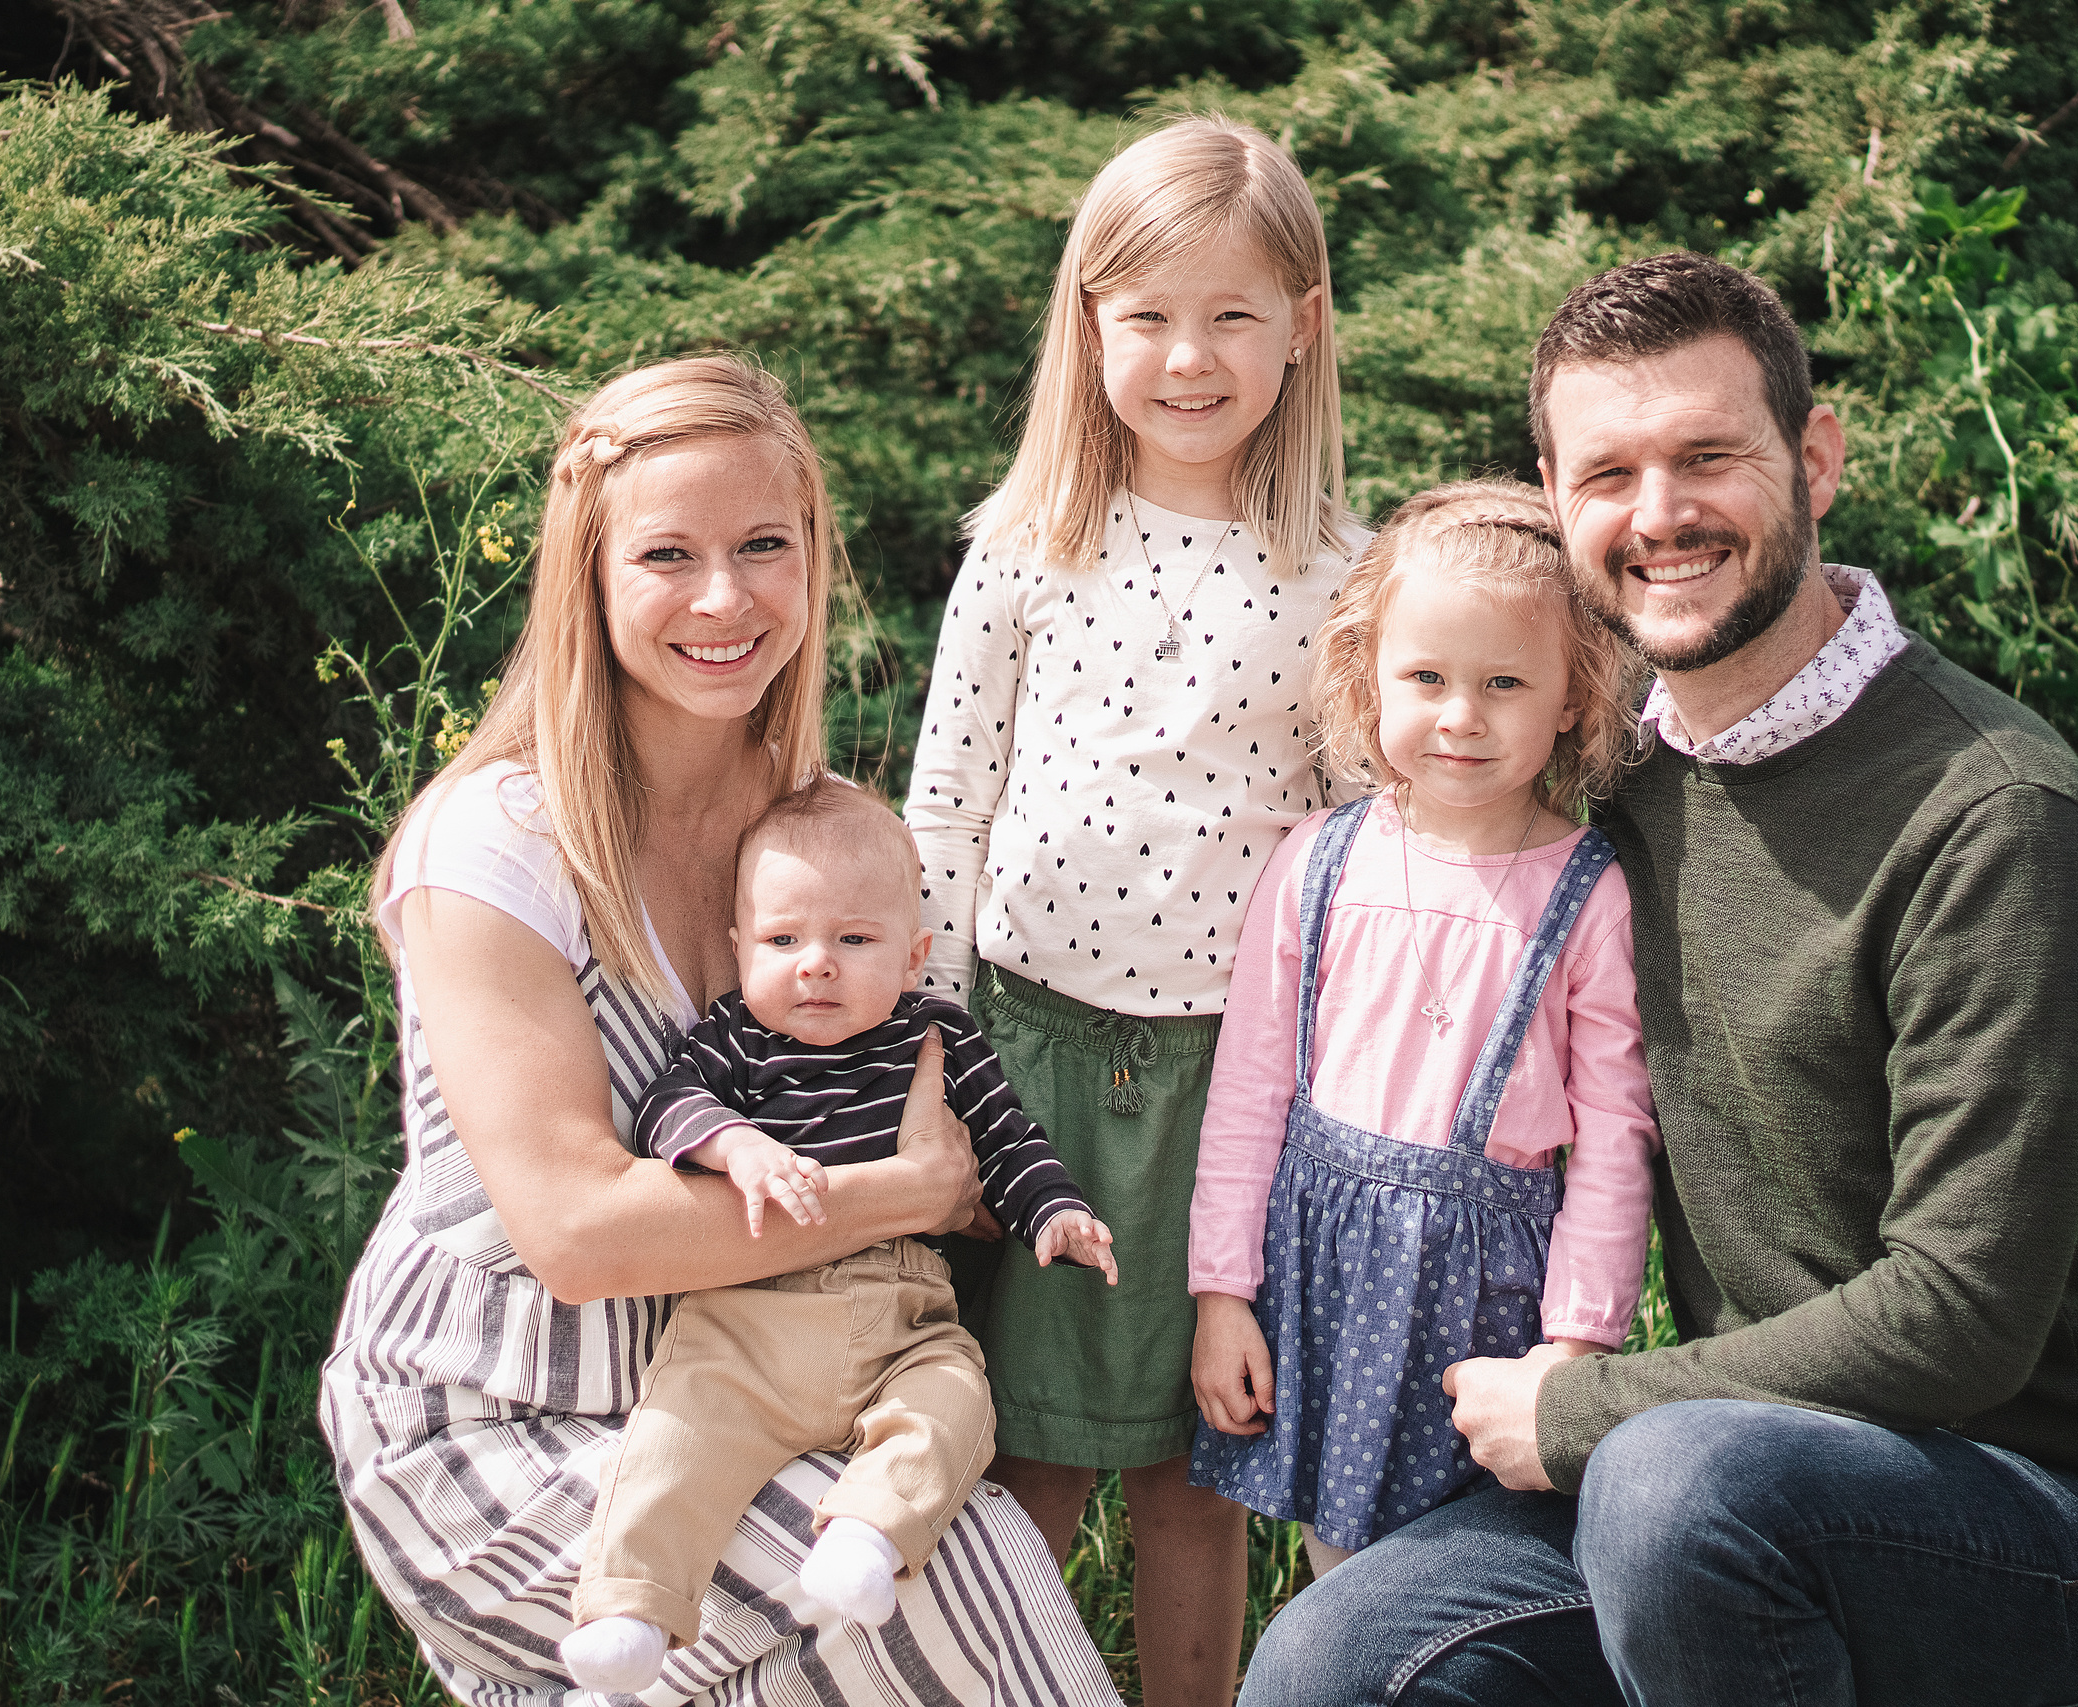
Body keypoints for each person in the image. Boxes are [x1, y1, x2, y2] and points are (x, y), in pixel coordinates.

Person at [1239, 252, 2078, 1707]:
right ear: (1557, 498)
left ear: (1815, 457)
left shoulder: (1993, 813)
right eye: (1608, 472)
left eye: (1708, 457)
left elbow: (1960, 1310)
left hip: (2036, 1518)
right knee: (1328, 1663)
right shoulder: (1613, 791)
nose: (1659, 515)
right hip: (1725, 1473)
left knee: (1672, 1484)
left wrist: (1582, 1405)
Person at [318, 354, 1121, 1707]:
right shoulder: (499, 846)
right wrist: (903, 1194)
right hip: (496, 1418)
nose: (724, 597)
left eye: (764, 544)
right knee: (955, 1563)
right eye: (667, 554)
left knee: (852, 1610)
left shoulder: (799, 831)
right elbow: (580, 1231)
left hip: (738, 1389)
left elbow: (914, 1077)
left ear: (813, 552)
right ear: (589, 574)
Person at [904, 114, 1368, 1702]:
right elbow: (945, 815)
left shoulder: (1341, 578)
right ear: (1087, 321)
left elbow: (1360, 845)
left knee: (1196, 1460)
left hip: (1238, 1082)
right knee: (1019, 1453)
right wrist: (935, 1068)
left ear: (1302, 328)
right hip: (1025, 1060)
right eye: (1150, 315)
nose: (1190, 356)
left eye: (1234, 314)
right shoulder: (1024, 548)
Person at [1184, 480, 1659, 1576]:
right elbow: (1251, 1094)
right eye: (1427, 679)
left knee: (1465, 1577)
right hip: (1320, 1277)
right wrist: (1222, 1295)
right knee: (1335, 1564)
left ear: (1571, 698)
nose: (1461, 715)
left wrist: (1576, 1349)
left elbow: (1613, 1140)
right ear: (1370, 680)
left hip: (1487, 1299)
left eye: (1504, 682)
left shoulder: (1589, 896)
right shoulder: (1318, 862)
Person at [560, 781, 1121, 1692]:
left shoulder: (937, 1032)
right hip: (748, 1315)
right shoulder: (736, 1037)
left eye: (852, 940)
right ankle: (631, 1605)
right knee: (673, 1437)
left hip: (901, 1309)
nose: (815, 964)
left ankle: (866, 1532)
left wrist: (1054, 1210)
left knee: (957, 1404)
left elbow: (1008, 1138)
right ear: (741, 948)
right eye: (784, 941)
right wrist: (732, 1142)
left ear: (913, 956)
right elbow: (667, 1107)